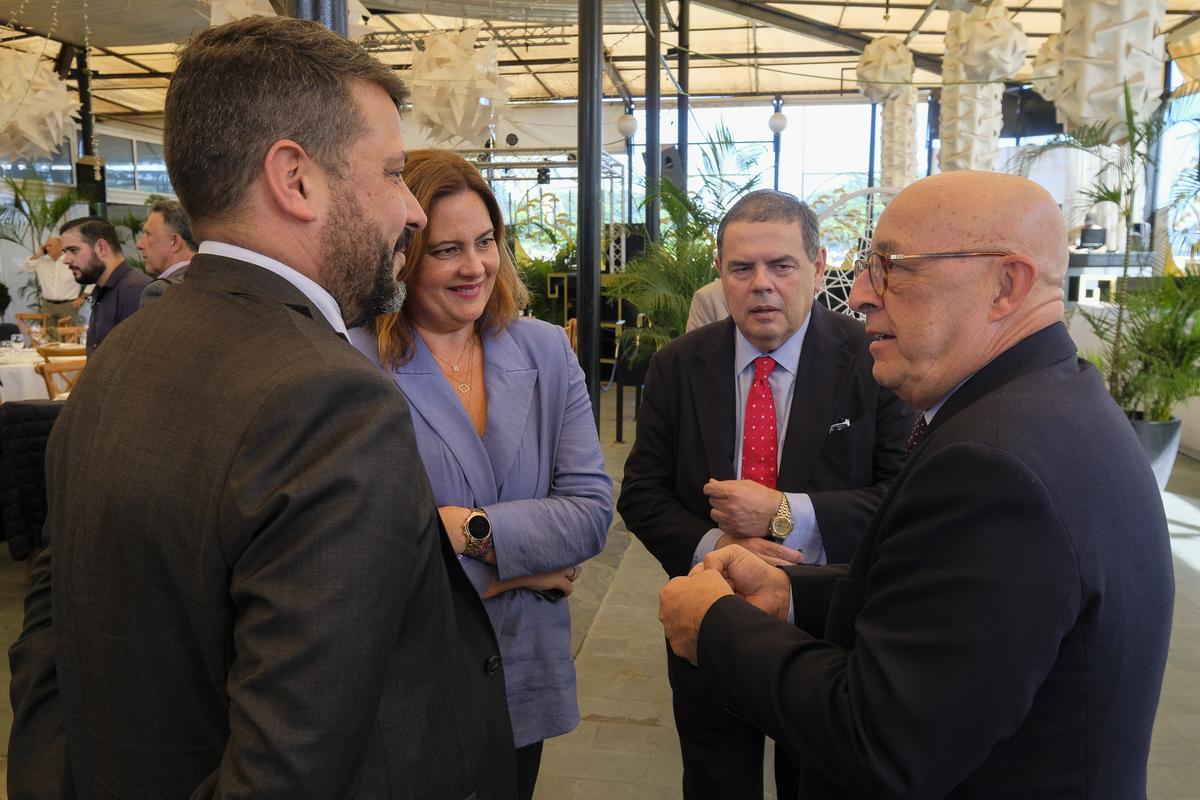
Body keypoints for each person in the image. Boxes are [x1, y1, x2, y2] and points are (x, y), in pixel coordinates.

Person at [9, 16, 517, 799]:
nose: (410, 214)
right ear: (297, 179)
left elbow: (48, 643)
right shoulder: (331, 399)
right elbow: (288, 768)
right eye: (389, 174)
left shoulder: (123, 358)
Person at [658, 171, 1175, 799]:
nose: (865, 295)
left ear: (1005, 285)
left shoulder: (993, 465)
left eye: (893, 266)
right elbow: (948, 617)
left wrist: (714, 624)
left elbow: (879, 741)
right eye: (868, 267)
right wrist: (792, 595)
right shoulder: (1052, 404)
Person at [618, 189, 915, 799]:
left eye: (782, 266)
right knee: (715, 776)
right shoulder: (679, 366)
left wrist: (784, 514)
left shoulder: (875, 361)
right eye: (742, 268)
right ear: (720, 273)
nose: (762, 285)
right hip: (712, 604)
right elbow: (642, 493)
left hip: (832, 617)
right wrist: (718, 545)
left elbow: (901, 499)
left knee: (818, 780)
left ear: (819, 265)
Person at [350, 149, 612, 800]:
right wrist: (523, 571)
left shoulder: (544, 350)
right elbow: (362, 560)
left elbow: (590, 514)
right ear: (403, 253)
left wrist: (465, 533)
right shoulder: (354, 365)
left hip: (522, 673)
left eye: (486, 241)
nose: (475, 267)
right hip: (408, 681)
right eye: (446, 250)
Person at [59, 216, 151, 354]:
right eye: (65, 252)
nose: (65, 260)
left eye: (73, 250)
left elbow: (137, 361)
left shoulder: (134, 291)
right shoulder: (103, 290)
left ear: (101, 247)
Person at [137, 198, 198, 306]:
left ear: (174, 242)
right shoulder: (216, 280)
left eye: (148, 234)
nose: (139, 244)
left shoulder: (159, 292)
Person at [20, 236, 85, 325]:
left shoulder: (72, 261)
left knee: (69, 336)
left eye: (50, 245)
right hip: (48, 306)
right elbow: (24, 268)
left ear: (60, 247)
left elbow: (92, 281)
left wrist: (83, 298)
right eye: (46, 246)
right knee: (48, 336)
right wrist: (38, 254)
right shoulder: (41, 262)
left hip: (68, 306)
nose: (47, 248)